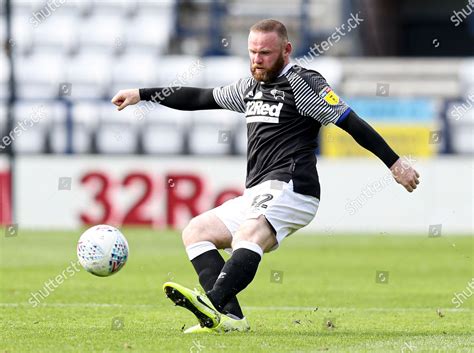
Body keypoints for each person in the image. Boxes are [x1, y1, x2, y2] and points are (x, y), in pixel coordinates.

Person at [111, 19, 420, 333]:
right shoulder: (250, 87)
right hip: (259, 190)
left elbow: (350, 122)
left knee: (248, 234)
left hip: (293, 185)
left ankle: (212, 302)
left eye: (266, 53)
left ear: (286, 50)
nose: (257, 60)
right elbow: (201, 98)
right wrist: (142, 94)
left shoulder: (303, 82)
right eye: (253, 52)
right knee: (196, 231)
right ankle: (231, 319)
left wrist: (395, 164)